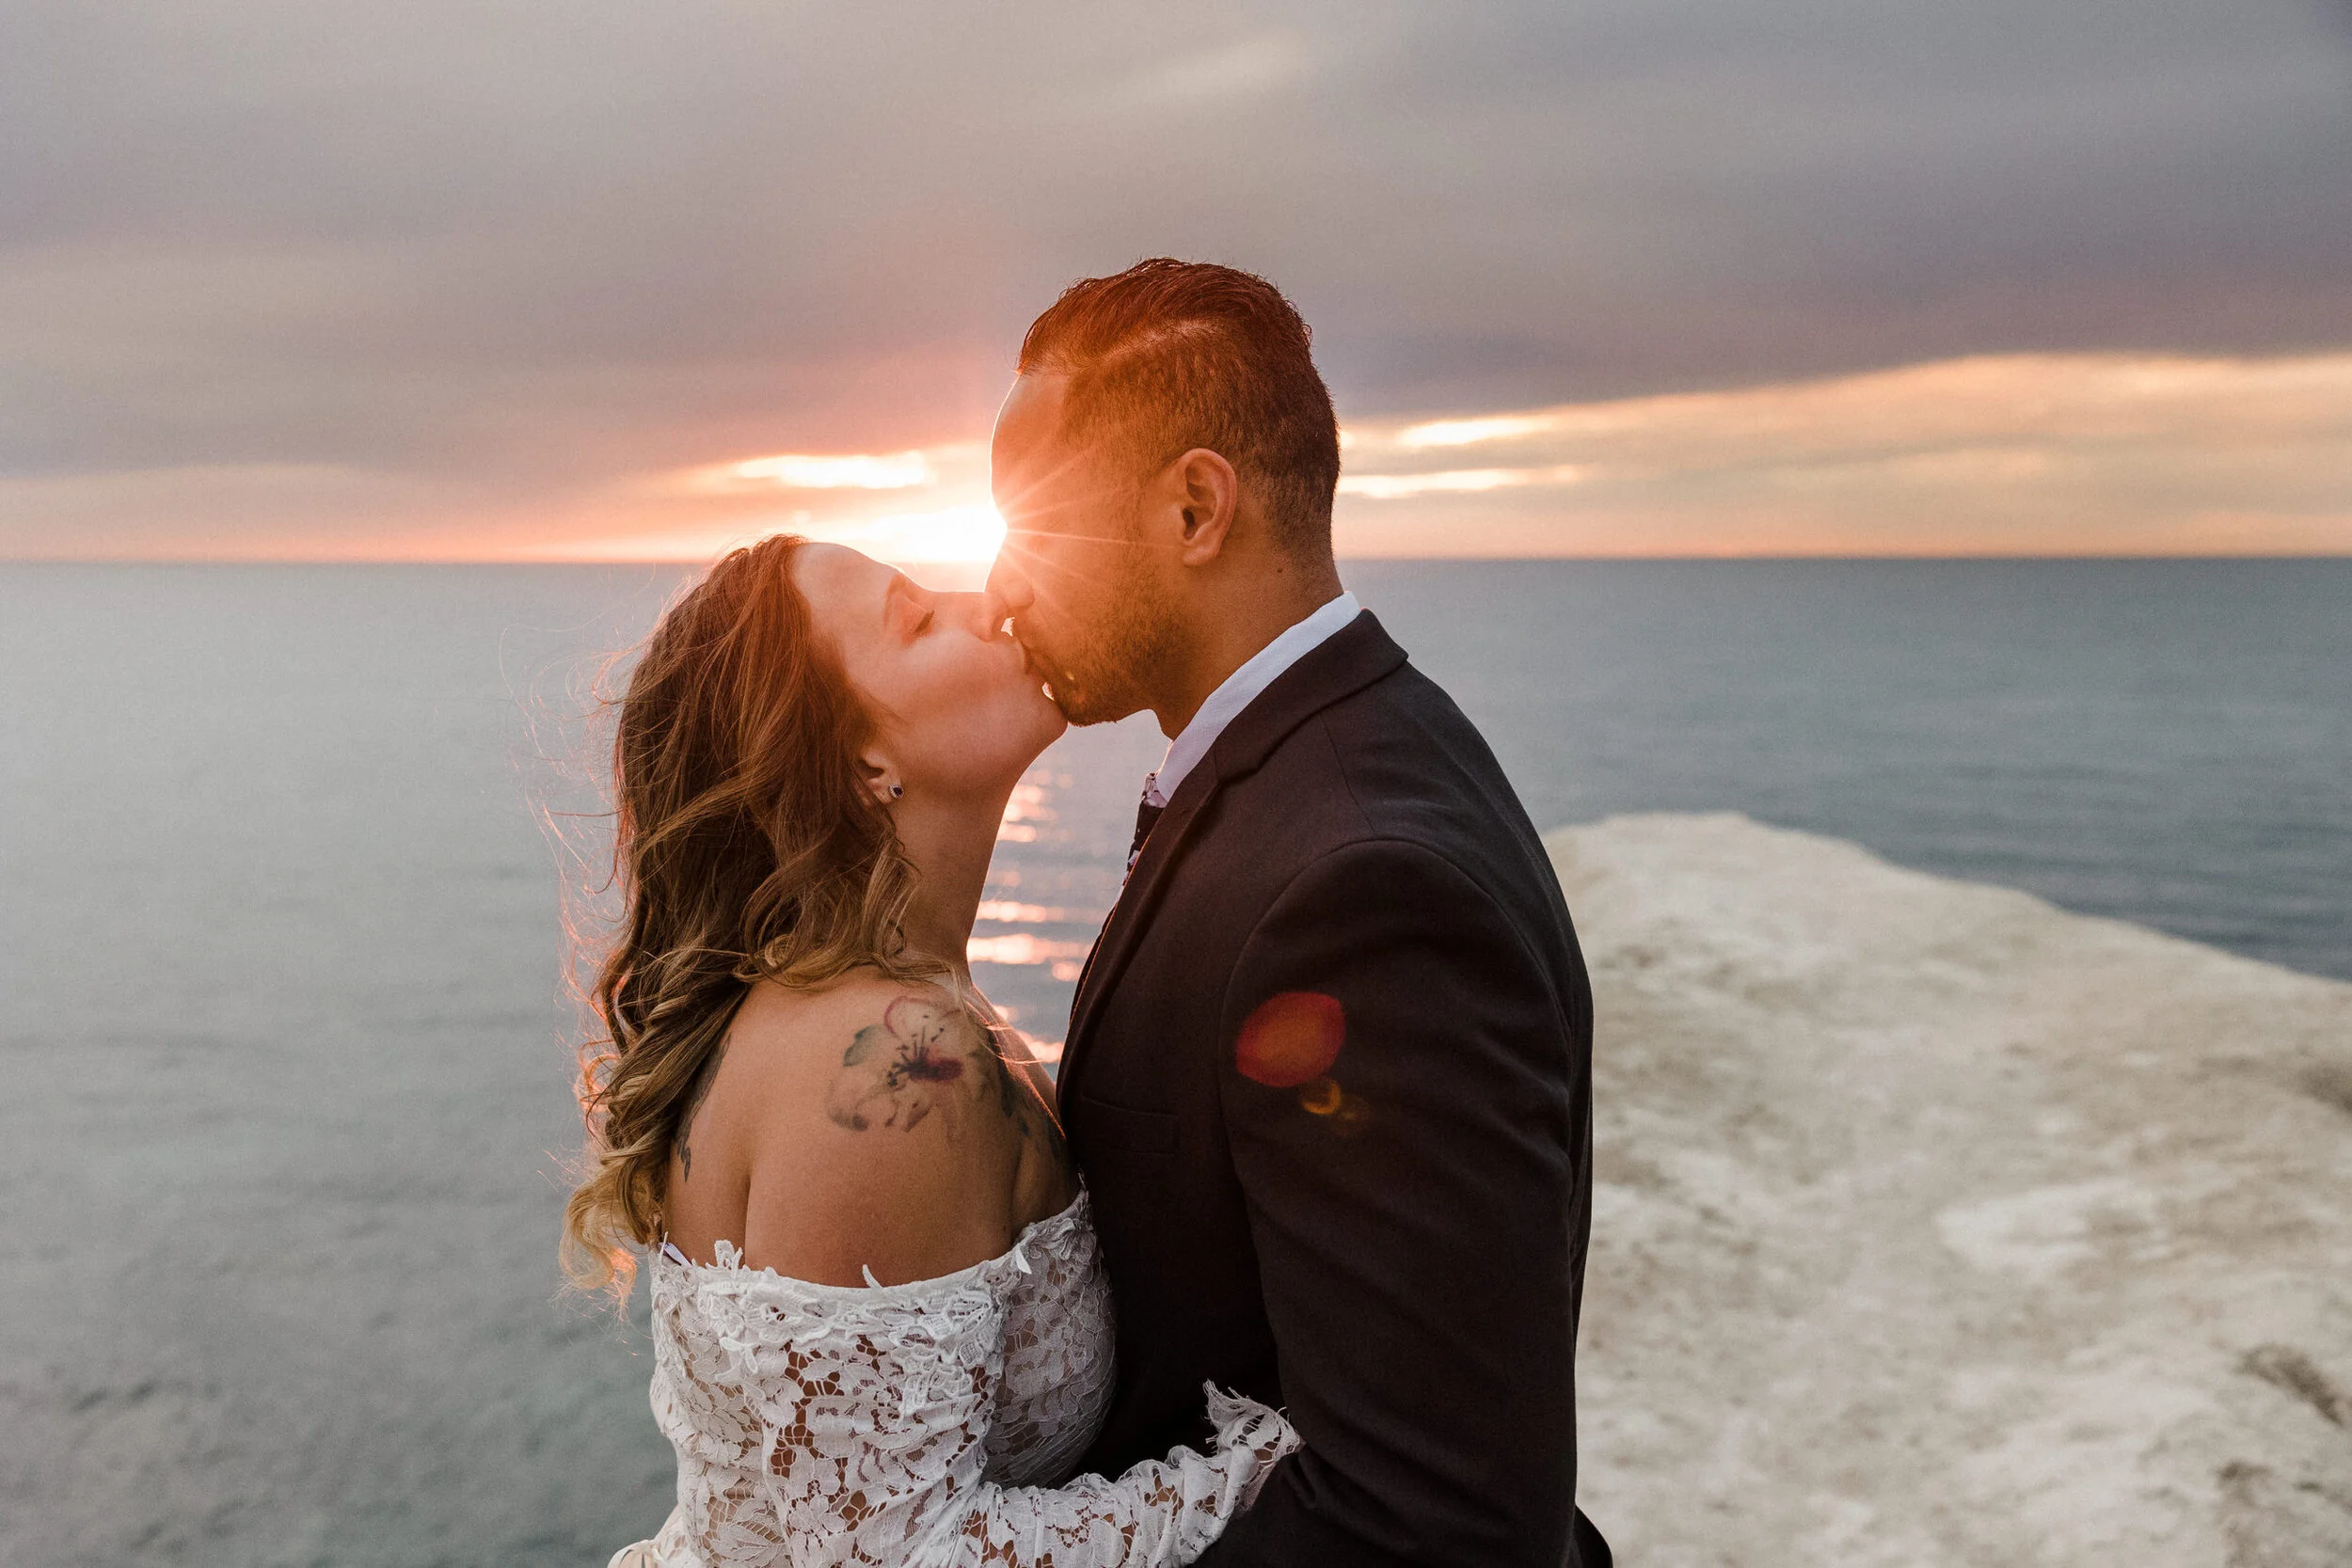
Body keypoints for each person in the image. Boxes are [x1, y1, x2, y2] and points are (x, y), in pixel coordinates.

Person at [986, 259, 1610, 1565]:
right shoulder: (1330, 759)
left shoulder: (1359, 890)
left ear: (1197, 508)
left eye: (1033, 523)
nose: (1000, 586)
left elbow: (1439, 1522)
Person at [574, 533, 1298, 1566]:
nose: (989, 597)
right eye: (916, 618)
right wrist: (1262, 1473)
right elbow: (907, 1556)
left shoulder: (900, 1006)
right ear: (862, 763)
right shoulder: (887, 1066)